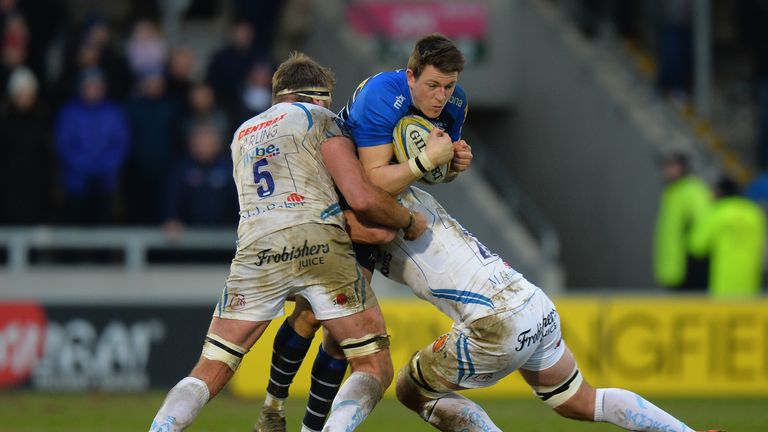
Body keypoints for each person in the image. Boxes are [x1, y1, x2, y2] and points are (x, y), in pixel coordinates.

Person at [254, 34, 722, 432]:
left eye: (448, 86)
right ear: (411, 76)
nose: (441, 96)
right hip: (534, 306)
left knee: (405, 386)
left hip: (493, 325)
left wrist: (440, 165)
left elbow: (371, 196)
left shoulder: (373, 211)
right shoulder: (390, 144)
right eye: (432, 85)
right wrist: (427, 167)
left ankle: (299, 417)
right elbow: (390, 179)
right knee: (581, 400)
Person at [148, 51, 430, 432]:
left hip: (255, 249)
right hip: (318, 242)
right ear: (317, 98)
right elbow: (360, 196)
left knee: (211, 365)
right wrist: (407, 219)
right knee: (373, 365)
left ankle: (162, 427)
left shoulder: (241, 134)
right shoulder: (322, 119)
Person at [690, 177, 767, 298]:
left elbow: (697, 246)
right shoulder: (754, 212)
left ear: (720, 192)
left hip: (723, 281)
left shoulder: (717, 212)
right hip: (751, 280)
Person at [653, 152, 711, 290]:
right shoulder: (673, 191)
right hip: (674, 267)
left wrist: (693, 254)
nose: (666, 170)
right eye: (665, 166)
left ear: (683, 167)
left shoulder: (692, 190)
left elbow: (702, 224)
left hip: (688, 267)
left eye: (671, 166)